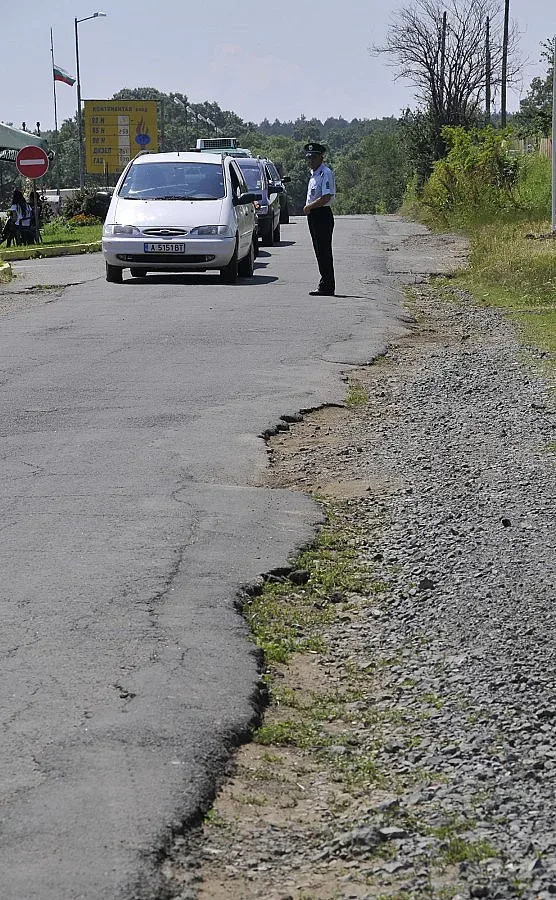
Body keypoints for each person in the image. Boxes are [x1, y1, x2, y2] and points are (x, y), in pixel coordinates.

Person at [302, 142, 336, 296]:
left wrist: (309, 207)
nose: (310, 161)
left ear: (321, 157)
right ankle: (325, 283)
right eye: (308, 158)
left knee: (324, 252)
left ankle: (327, 286)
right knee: (319, 251)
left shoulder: (325, 173)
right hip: (314, 215)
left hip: (321, 214)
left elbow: (326, 196)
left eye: (314, 157)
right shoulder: (314, 174)